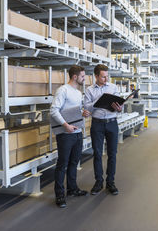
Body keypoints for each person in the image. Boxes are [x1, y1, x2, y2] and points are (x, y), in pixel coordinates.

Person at [50, 65, 91, 208]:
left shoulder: (78, 93)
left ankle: (72, 189)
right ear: (75, 76)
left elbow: (75, 111)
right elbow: (53, 111)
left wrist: (83, 113)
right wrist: (65, 125)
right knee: (62, 165)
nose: (84, 78)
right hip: (66, 134)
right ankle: (59, 195)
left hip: (77, 133)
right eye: (82, 76)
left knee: (74, 163)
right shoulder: (63, 90)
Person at [84, 64, 122, 195]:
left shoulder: (113, 87)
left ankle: (110, 182)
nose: (106, 79)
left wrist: (119, 108)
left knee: (112, 153)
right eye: (103, 77)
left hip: (112, 123)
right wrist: (98, 102)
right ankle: (98, 182)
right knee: (97, 153)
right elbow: (87, 107)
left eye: (107, 76)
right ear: (96, 76)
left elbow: (119, 104)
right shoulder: (89, 90)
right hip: (97, 124)